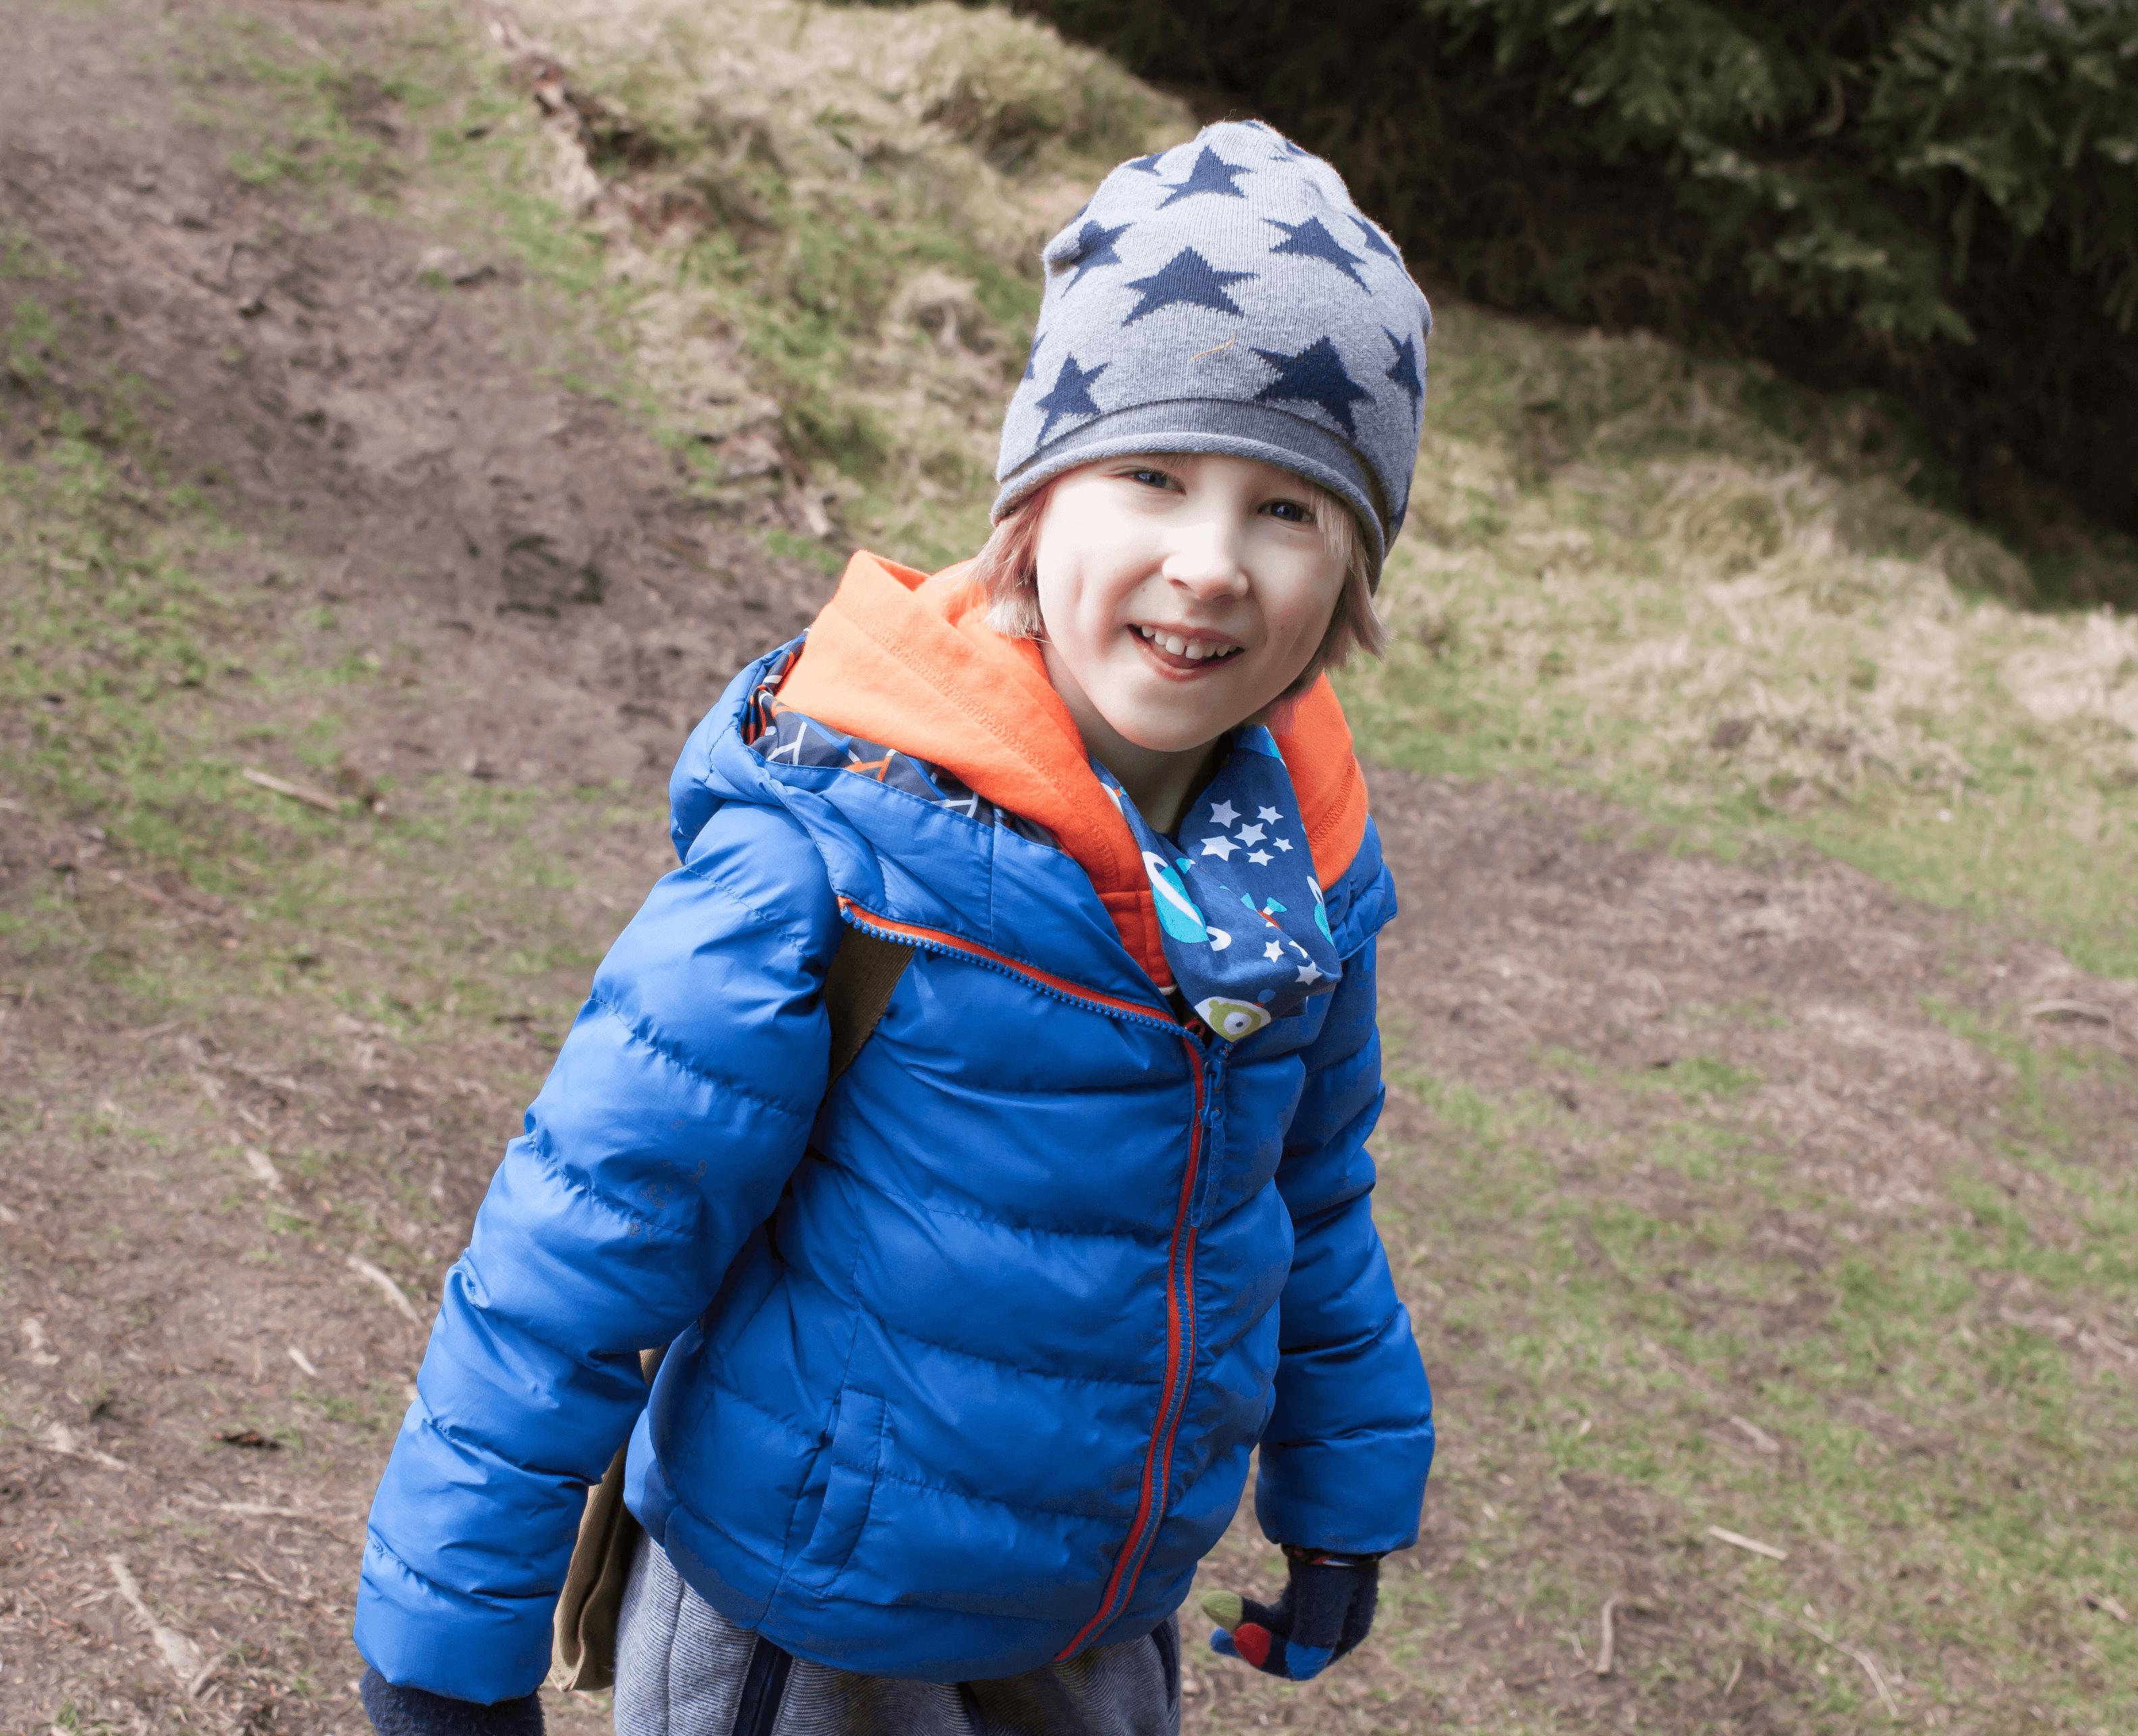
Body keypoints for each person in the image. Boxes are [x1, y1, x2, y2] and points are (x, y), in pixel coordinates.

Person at [350, 120, 1435, 1736]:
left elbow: (1311, 1197)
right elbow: (575, 1248)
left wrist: (1344, 1485)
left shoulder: (1296, 878)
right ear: (1036, 507)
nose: (1208, 566)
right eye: (1151, 474)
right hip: (815, 1637)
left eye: (1286, 505)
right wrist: (445, 1640)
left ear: (1352, 561)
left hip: (1096, 1626)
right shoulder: (842, 846)